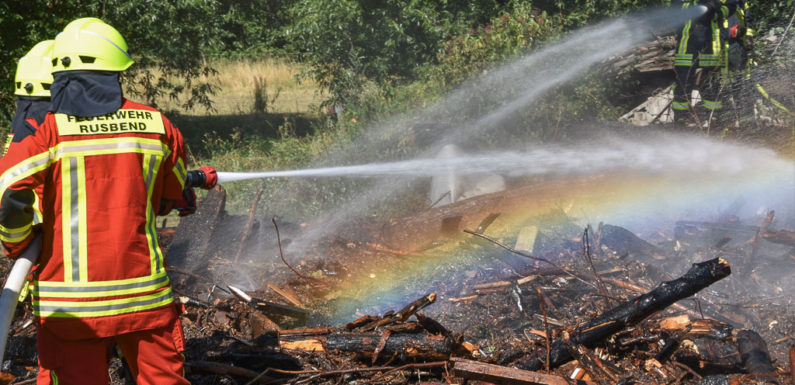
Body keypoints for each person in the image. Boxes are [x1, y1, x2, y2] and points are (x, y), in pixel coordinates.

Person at [0, 18, 216, 384]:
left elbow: (10, 198)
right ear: (117, 70)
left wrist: (19, 244)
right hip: (144, 302)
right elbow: (171, 197)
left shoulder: (48, 132)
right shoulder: (157, 125)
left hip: (71, 309)